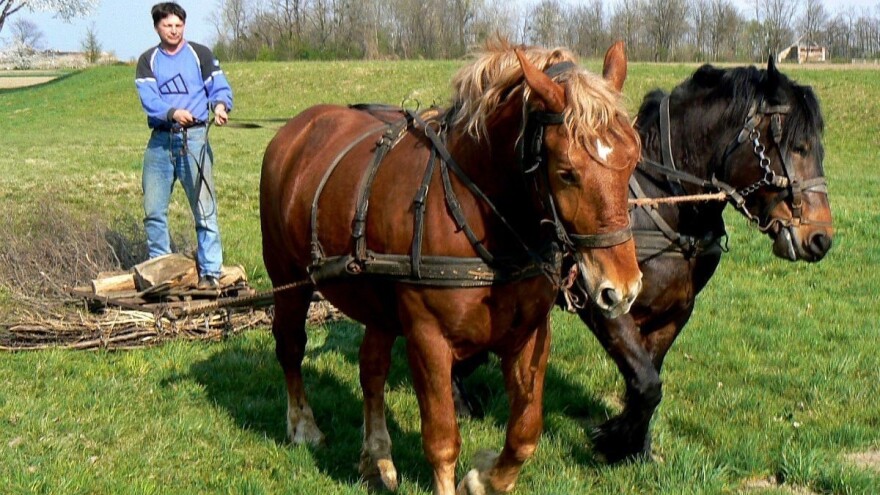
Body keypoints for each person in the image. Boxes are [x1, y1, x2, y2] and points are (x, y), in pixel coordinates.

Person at [134, 2, 233, 290]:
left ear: (184, 26)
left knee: (204, 210)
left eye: (178, 25)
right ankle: (161, 273)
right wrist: (172, 112)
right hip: (161, 141)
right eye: (167, 25)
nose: (173, 30)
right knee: (153, 211)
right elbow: (149, 100)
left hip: (195, 139)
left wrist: (220, 106)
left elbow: (220, 87)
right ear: (157, 28)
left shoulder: (200, 54)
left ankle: (211, 273)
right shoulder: (148, 60)